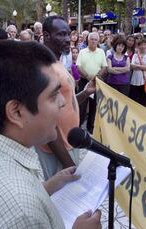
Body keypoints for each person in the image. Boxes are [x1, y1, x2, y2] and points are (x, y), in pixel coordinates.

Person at [0, 40, 102, 229]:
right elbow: (17, 211)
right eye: (53, 96)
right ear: (16, 112)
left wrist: (46, 187)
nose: (63, 103)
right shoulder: (23, 212)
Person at [40, 16, 95, 179]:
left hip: (70, 144)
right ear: (46, 35)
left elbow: (65, 104)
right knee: (61, 200)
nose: (67, 39)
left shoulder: (57, 63)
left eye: (68, 34)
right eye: (61, 34)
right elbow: (46, 119)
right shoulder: (44, 67)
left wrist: (85, 93)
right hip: (57, 150)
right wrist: (68, 162)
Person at [77, 32, 107, 134]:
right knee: (82, 106)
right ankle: (79, 126)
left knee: (94, 106)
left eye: (95, 39)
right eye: (91, 39)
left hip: (96, 82)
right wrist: (87, 76)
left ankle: (91, 128)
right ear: (87, 40)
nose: (93, 41)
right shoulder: (82, 52)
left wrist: (96, 77)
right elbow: (78, 66)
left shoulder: (101, 52)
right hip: (84, 81)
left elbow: (104, 67)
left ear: (98, 41)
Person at [130, 38, 146, 106]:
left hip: (145, 80)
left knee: (144, 100)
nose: (142, 46)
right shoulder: (135, 55)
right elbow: (131, 66)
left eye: (144, 45)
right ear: (138, 46)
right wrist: (143, 66)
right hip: (135, 80)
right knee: (134, 99)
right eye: (141, 45)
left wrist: (137, 66)